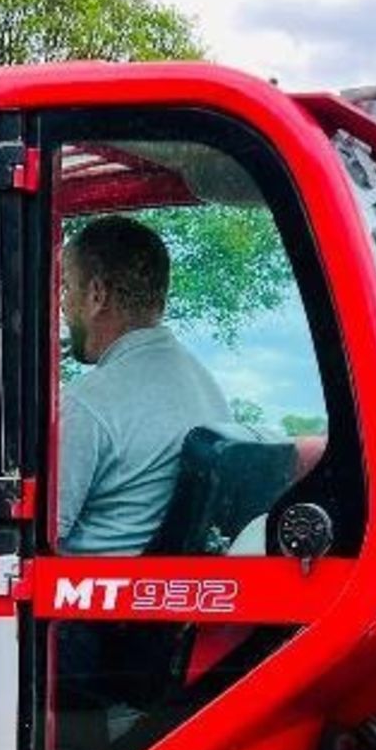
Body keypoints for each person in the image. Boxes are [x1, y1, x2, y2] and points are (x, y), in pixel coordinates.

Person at [57, 215, 230, 555]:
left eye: (66, 287)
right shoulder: (206, 386)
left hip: (81, 604)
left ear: (96, 295)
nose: (62, 305)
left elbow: (34, 541)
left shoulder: (88, 403)